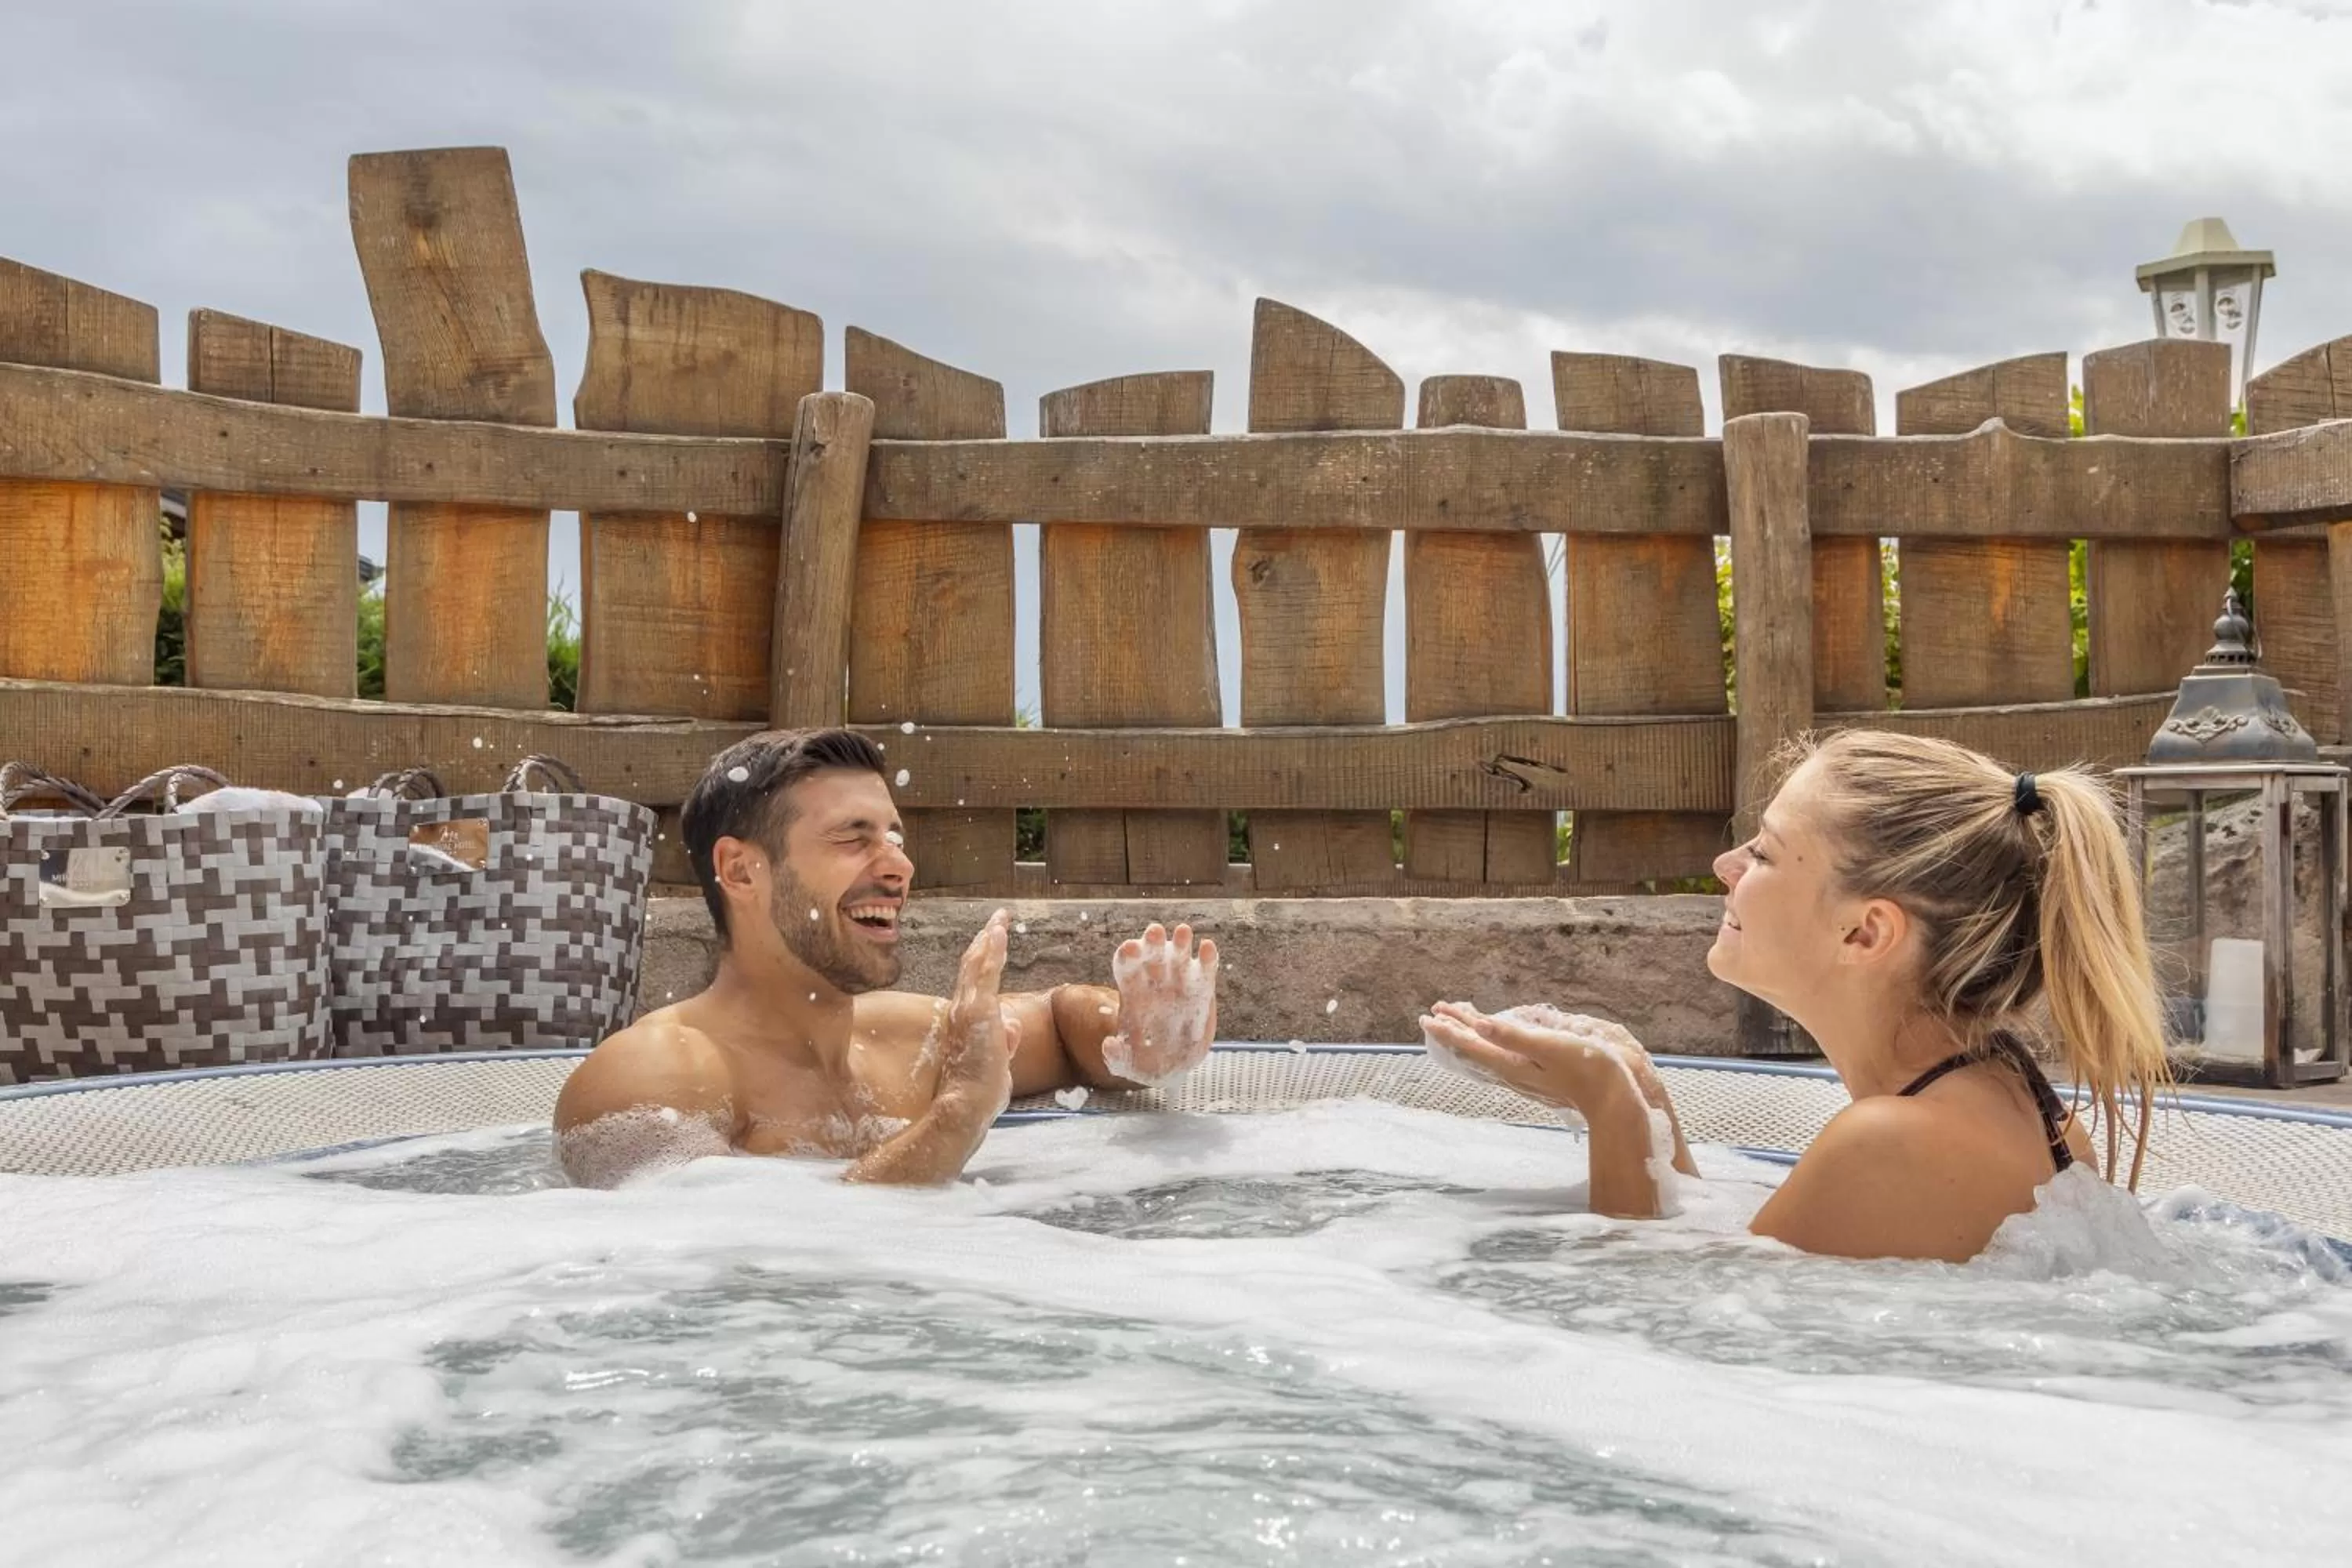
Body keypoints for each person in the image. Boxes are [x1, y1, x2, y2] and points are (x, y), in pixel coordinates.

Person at [1422, 730, 2171, 1264]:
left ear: (1865, 932)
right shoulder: (2029, 1111)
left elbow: (1649, 1340)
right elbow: (1732, 1273)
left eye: (1765, 852)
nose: (1724, 865)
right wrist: (1645, 1103)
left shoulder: (1888, 1142)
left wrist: (1608, 1111)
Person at [554, 728, 1219, 1187]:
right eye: (853, 837)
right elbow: (714, 1257)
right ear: (743, 871)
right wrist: (957, 1115)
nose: (899, 865)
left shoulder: (906, 1042)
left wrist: (1137, 1037)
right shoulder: (655, 1076)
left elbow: (1061, 1022)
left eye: (895, 838)